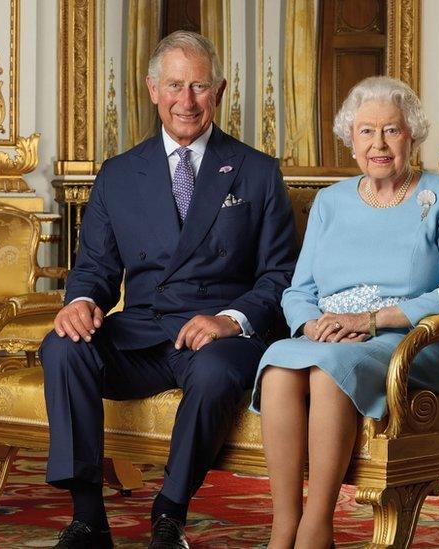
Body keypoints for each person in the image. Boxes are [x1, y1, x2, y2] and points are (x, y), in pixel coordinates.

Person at [39, 31, 297, 549]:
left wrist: (233, 319)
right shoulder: (117, 174)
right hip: (142, 331)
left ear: (219, 92)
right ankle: (88, 517)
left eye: (199, 86)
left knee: (219, 368)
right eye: (175, 86)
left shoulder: (258, 172)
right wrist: (81, 302)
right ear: (153, 89)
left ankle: (169, 514)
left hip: (218, 334)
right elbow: (94, 267)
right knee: (61, 347)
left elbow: (280, 276)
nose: (187, 101)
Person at [251, 75, 439, 548]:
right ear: (351, 141)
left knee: (328, 370)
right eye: (366, 131)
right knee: (277, 367)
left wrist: (372, 321)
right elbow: (298, 289)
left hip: (406, 340)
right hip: (328, 336)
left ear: (412, 134)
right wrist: (312, 324)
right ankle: (285, 522)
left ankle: (316, 525)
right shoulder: (330, 201)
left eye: (391, 130)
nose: (379, 144)